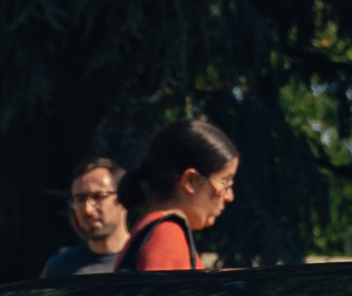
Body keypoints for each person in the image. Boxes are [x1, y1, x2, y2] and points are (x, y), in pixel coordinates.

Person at [119, 117, 240, 271]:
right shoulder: (167, 236)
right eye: (225, 181)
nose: (229, 196)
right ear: (190, 180)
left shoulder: (154, 229)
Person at [41, 155, 129, 278]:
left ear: (123, 198)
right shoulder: (60, 269)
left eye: (98, 197)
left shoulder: (148, 259)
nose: (88, 210)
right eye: (80, 199)